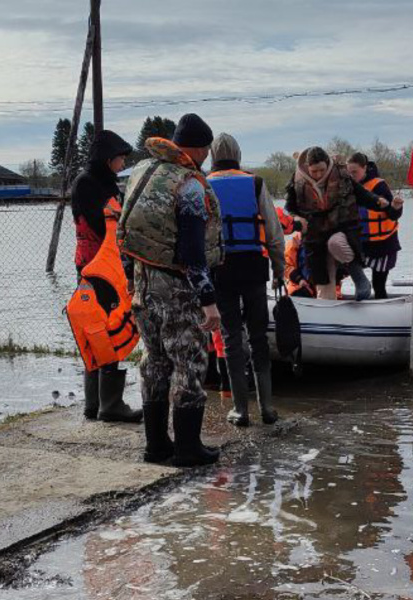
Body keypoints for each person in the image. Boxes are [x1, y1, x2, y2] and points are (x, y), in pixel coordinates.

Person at [118, 113, 224, 467]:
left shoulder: (141, 172)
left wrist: (131, 276)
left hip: (143, 280)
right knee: (189, 362)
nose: (207, 156)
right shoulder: (189, 183)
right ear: (200, 148)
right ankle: (188, 449)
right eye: (206, 149)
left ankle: (156, 446)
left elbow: (126, 228)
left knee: (154, 360)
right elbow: (193, 253)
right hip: (177, 286)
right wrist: (208, 301)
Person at [207, 133, 286, 427]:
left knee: (230, 337)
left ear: (213, 156)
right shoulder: (255, 183)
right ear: (238, 154)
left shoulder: (204, 185)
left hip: (221, 267)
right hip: (254, 265)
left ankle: (240, 410)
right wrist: (279, 269)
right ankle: (267, 408)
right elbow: (275, 232)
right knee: (258, 335)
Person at [70, 130, 141, 423]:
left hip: (97, 265)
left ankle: (95, 403)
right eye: (120, 158)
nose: (123, 163)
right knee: (106, 329)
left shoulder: (98, 182)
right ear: (107, 158)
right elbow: (106, 227)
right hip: (100, 268)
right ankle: (109, 404)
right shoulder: (90, 184)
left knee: (95, 329)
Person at [285, 146, 392, 301]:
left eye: (322, 170)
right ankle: (326, 313)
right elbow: (290, 208)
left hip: (340, 226)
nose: (318, 174)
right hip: (315, 236)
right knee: (323, 279)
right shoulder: (297, 181)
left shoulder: (341, 174)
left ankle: (358, 276)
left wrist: (376, 201)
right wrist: (295, 217)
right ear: (308, 168)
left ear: (328, 164)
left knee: (335, 243)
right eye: (314, 171)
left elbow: (360, 193)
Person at [346, 153, 403, 299]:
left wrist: (396, 207)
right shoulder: (347, 187)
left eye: (355, 172)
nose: (352, 176)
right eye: (349, 172)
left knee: (379, 285)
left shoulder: (379, 185)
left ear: (365, 168)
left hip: (383, 244)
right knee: (355, 275)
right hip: (361, 244)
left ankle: (382, 311)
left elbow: (392, 214)